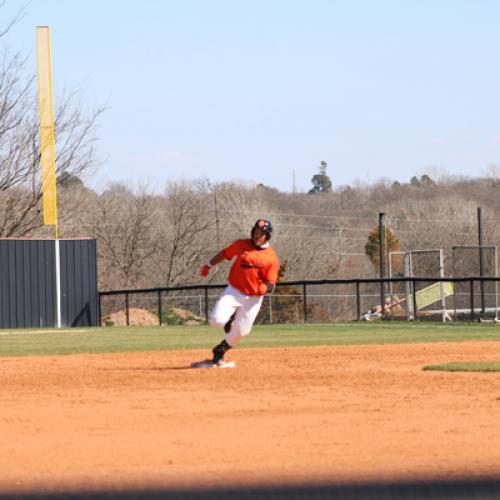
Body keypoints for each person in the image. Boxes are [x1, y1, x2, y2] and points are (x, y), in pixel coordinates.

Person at [198, 219, 280, 366]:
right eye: (255, 232)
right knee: (216, 321)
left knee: (242, 331)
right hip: (234, 291)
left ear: (267, 236)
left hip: (253, 298)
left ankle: (220, 350)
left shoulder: (271, 258)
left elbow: (271, 283)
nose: (257, 236)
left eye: (261, 234)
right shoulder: (241, 245)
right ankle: (230, 317)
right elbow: (225, 253)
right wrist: (209, 264)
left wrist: (264, 289)